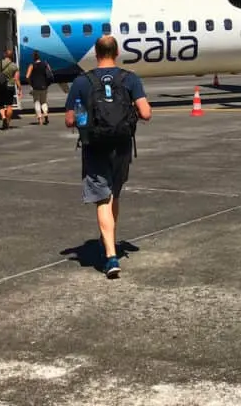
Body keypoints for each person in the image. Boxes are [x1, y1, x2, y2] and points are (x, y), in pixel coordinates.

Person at [65, 35, 151, 279]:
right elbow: (146, 113)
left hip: (94, 145)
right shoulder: (129, 78)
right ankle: (110, 242)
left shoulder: (82, 81)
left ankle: (111, 255)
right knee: (114, 194)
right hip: (122, 144)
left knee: (102, 198)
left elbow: (70, 119)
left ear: (96, 53)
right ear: (117, 52)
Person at [0, 49, 22, 130]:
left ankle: (3, 117)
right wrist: (20, 89)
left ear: (5, 55)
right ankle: (8, 122)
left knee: (0, 105)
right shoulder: (14, 66)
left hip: (1, 86)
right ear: (12, 56)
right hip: (10, 86)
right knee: (9, 105)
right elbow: (16, 79)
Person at [25, 51, 53, 126]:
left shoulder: (32, 65)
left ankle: (40, 119)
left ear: (33, 57)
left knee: (37, 102)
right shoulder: (45, 64)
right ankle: (46, 114)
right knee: (43, 102)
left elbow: (27, 76)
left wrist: (30, 83)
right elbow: (50, 73)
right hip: (44, 86)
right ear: (39, 57)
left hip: (36, 87)